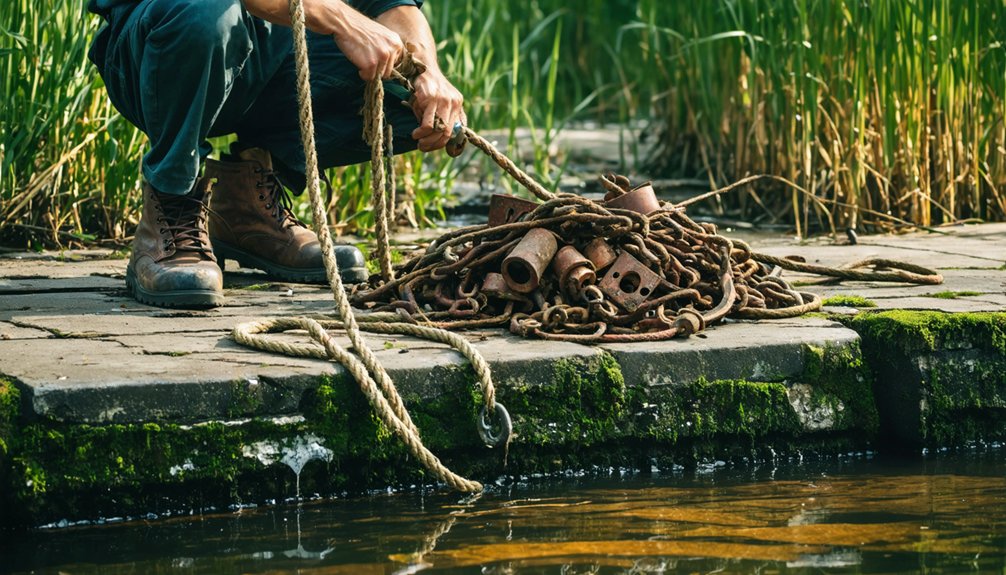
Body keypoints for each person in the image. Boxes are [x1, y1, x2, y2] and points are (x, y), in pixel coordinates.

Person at [86, 0, 465, 308]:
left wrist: (425, 71)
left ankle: (245, 203)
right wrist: (340, 19)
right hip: (160, 37)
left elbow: (390, 4)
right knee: (206, 14)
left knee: (406, 96)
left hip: (271, 43)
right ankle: (171, 202)